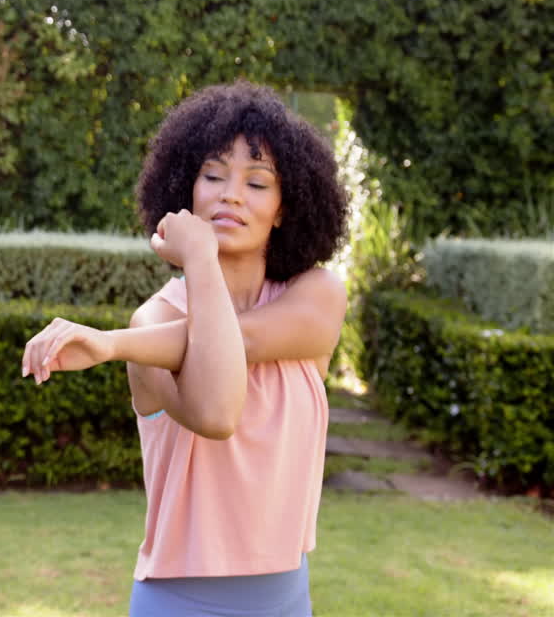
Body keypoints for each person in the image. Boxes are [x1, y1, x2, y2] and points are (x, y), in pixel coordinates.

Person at [22, 81, 348, 616]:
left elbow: (239, 339)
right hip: (178, 600)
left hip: (286, 598)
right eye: (213, 175)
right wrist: (198, 264)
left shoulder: (316, 297)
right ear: (186, 191)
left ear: (287, 209)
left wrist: (110, 344)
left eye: (258, 182)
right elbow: (217, 411)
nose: (231, 194)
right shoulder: (152, 319)